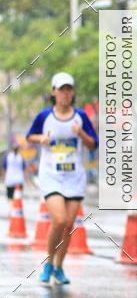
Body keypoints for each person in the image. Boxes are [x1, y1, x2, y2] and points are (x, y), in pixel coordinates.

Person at [26, 72, 99, 285]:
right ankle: (48, 264)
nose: (65, 93)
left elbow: (93, 144)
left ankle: (59, 267)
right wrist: (42, 138)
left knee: (68, 224)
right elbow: (30, 136)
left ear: (73, 92)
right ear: (53, 92)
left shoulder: (80, 117)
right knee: (58, 220)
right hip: (51, 175)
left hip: (74, 176)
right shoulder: (44, 116)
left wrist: (80, 133)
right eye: (61, 89)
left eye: (69, 89)